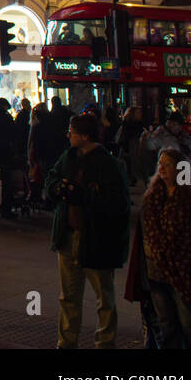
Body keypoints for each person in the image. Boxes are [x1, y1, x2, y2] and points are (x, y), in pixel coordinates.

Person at [124, 147, 191, 348]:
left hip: (186, 274)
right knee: (167, 326)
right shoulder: (153, 195)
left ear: (180, 168)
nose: (162, 168)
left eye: (167, 164)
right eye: (160, 164)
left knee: (190, 325)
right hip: (156, 272)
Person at [45, 112, 131, 348]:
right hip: (68, 236)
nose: (68, 136)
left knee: (104, 298)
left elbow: (119, 205)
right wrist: (57, 189)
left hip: (96, 239)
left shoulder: (109, 164)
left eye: (71, 132)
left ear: (84, 136)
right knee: (69, 297)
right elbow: (51, 179)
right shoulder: (68, 157)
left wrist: (84, 195)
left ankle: (104, 342)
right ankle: (66, 342)